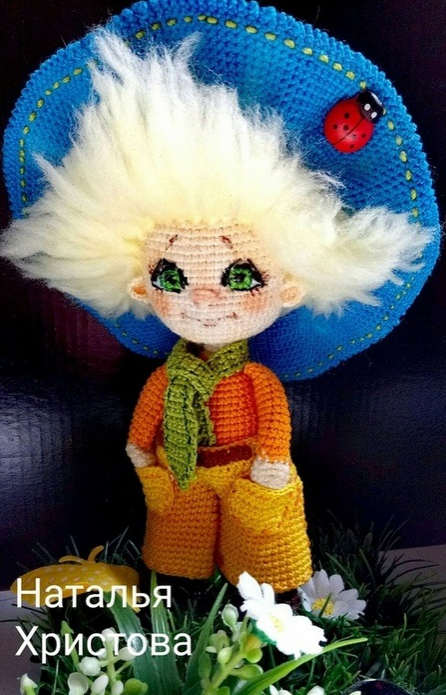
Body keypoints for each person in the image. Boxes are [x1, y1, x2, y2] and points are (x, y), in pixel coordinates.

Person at [1, 34, 430, 591]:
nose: (203, 299)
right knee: (176, 547)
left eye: (240, 276)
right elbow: (144, 427)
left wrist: (270, 471)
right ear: (139, 287)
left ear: (289, 288)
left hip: (248, 475)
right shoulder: (166, 380)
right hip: (179, 475)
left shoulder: (255, 382)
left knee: (262, 555)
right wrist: (143, 458)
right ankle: (179, 590)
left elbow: (273, 430)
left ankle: (267, 599)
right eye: (172, 278)